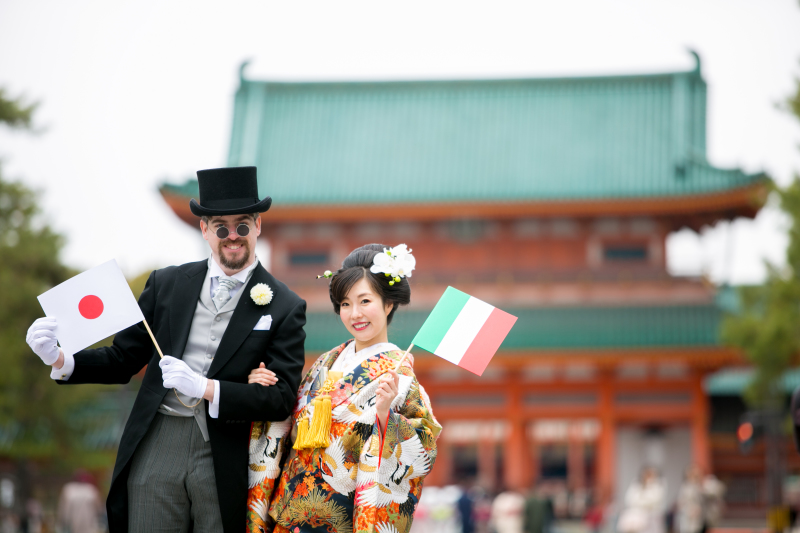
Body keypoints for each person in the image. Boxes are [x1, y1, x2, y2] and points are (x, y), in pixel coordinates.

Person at [25, 166, 307, 532]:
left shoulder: (285, 304)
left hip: (225, 448)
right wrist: (60, 358)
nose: (232, 236)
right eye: (221, 227)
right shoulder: (167, 283)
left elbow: (282, 397)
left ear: (258, 226)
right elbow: (123, 358)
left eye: (242, 225)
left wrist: (206, 388)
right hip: (158, 437)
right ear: (205, 230)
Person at [245, 243, 441, 533]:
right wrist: (266, 388)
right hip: (290, 514)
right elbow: (286, 420)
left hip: (346, 518)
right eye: (346, 304)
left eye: (365, 301)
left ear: (388, 304)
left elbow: (424, 447)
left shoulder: (400, 377)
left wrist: (386, 416)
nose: (355, 314)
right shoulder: (324, 363)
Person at [617, 467, 666, 533]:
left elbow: (653, 500)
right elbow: (629, 499)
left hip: (651, 516)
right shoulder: (636, 484)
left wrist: (649, 485)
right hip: (636, 515)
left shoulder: (657, 485)